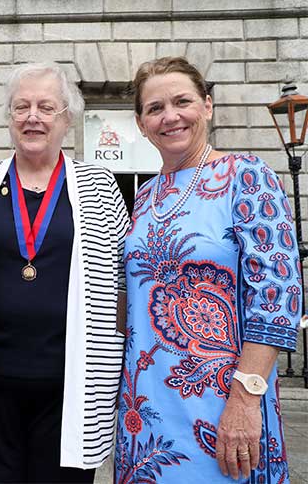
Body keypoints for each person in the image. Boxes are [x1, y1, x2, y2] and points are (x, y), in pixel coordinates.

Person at [115, 56, 300, 483]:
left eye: (183, 101)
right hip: (146, 407)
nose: (170, 116)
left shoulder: (246, 176)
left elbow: (278, 299)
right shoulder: (144, 198)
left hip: (224, 403)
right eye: (155, 108)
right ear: (141, 124)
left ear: (208, 106)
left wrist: (244, 400)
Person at [0, 63, 130, 483]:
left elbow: (123, 278)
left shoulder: (99, 185)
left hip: (70, 388)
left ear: (67, 119)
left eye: (47, 107)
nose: (33, 117)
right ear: (9, 119)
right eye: (21, 107)